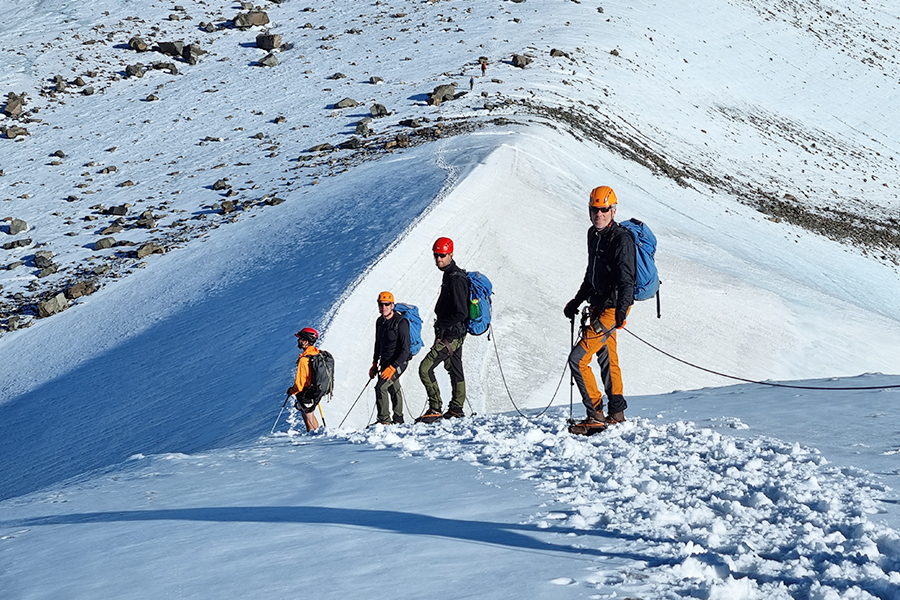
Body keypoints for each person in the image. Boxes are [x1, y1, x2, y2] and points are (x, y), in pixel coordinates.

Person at [564, 186, 636, 432]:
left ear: (613, 210)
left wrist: (622, 311)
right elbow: (591, 274)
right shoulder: (593, 235)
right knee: (607, 357)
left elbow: (627, 278)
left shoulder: (621, 239)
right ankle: (616, 412)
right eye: (595, 210)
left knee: (578, 359)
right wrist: (576, 301)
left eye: (604, 209)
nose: (599, 214)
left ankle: (595, 415)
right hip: (597, 306)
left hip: (611, 309)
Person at [417, 237, 469, 423]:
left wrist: (443, 325)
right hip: (453, 333)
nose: (438, 259)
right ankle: (456, 408)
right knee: (455, 367)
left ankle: (435, 408)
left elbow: (461, 312)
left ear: (451, 254)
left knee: (425, 368)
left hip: (453, 334)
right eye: (436, 255)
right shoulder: (449, 274)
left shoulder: (455, 279)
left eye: (442, 255)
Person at [369, 291, 411, 425]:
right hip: (385, 362)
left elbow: (405, 350)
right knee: (394, 387)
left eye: (387, 304)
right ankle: (398, 419)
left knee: (380, 387)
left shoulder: (401, 323)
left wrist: (393, 367)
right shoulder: (380, 322)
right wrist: (375, 363)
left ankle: (384, 420)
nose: (384, 307)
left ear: (392, 305)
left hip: (399, 362)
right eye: (381, 304)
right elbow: (378, 343)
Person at [287, 327, 322, 432]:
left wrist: (291, 391)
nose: (298, 340)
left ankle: (312, 442)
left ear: (306, 341)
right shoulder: (316, 353)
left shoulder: (304, 360)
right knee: (311, 414)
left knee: (308, 417)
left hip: (307, 392)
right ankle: (318, 436)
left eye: (301, 338)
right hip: (317, 390)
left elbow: (299, 384)